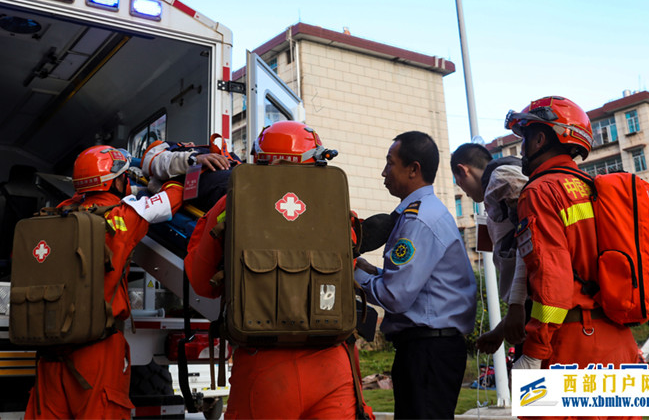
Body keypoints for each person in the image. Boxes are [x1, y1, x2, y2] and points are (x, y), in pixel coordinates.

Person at [185, 121, 372, 420]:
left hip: (264, 369)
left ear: (258, 159)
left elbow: (201, 281)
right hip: (331, 365)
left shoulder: (229, 203)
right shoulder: (338, 207)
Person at [25, 145, 183, 420]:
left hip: (50, 349)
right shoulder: (122, 217)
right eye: (125, 177)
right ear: (116, 181)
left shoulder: (55, 214)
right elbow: (173, 198)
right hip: (96, 349)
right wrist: (164, 174)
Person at [504, 96, 638, 373]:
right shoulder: (600, 191)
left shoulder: (540, 192)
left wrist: (534, 352)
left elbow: (551, 281)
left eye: (524, 141)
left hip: (572, 347)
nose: (521, 152)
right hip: (623, 346)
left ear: (540, 140)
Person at [355, 131, 476, 420]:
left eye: (390, 163)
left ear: (414, 169)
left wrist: (353, 277)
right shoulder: (423, 213)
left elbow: (395, 296)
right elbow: (415, 284)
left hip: (428, 350)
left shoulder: (418, 220)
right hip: (429, 347)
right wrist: (371, 271)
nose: (384, 172)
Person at [450, 143, 529, 355]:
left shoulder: (501, 179)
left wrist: (516, 306)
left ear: (462, 170)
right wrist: (501, 330)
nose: (464, 192)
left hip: (542, 315)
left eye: (458, 182)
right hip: (536, 313)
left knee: (538, 387)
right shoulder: (501, 183)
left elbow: (531, 240)